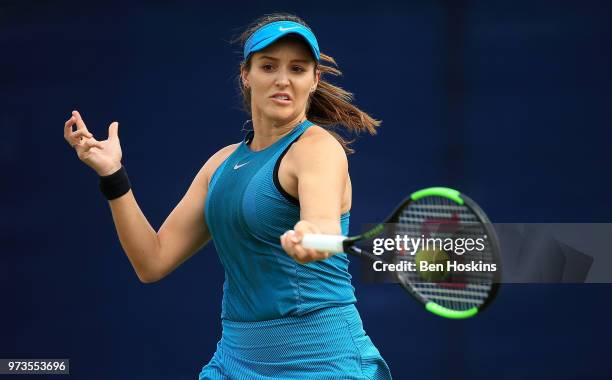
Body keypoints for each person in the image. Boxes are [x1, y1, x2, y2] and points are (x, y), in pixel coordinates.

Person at [63, 13, 392, 380]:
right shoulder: (220, 164)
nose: (283, 80)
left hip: (320, 359)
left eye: (297, 69)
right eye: (269, 66)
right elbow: (151, 261)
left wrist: (312, 238)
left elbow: (322, 222)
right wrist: (112, 175)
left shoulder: (317, 149)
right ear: (246, 75)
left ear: (314, 81)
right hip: (236, 360)